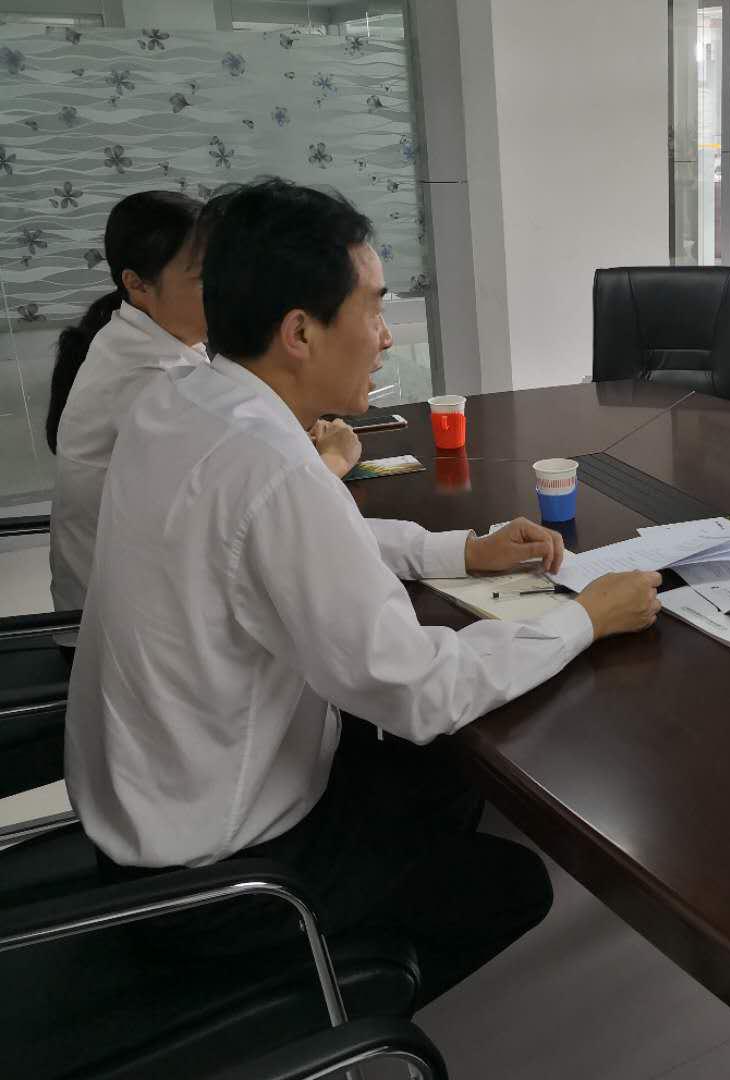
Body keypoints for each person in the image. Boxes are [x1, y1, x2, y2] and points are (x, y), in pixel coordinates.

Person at [63, 178, 662, 1006]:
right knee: (508, 878)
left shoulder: (184, 400)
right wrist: (584, 618)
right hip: (222, 886)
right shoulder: (269, 465)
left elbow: (278, 541)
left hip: (146, 821)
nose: (385, 337)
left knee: (446, 770)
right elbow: (417, 688)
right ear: (299, 332)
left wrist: (462, 550)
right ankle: (315, 1005)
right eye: (375, 309)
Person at [46, 190, 359, 611]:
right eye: (203, 280)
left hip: (159, 582)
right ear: (137, 284)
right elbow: (246, 509)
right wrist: (334, 461)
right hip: (122, 611)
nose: (226, 292)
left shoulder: (163, 340)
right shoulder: (147, 380)